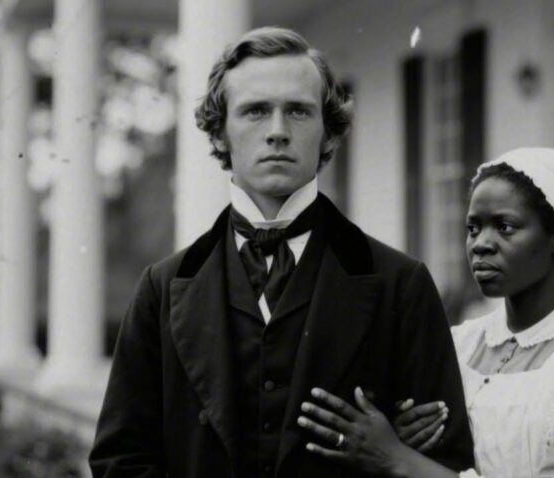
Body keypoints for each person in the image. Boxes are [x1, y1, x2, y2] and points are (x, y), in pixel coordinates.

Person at [89, 27, 474, 478]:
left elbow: (445, 460)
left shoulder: (401, 284)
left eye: (298, 111)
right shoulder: (161, 288)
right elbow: (119, 460)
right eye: (255, 111)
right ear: (220, 134)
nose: (277, 132)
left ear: (328, 134)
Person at [298, 147, 554, 477]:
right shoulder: (461, 344)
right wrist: (406, 438)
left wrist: (399, 460)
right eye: (473, 228)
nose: (481, 245)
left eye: (505, 227)